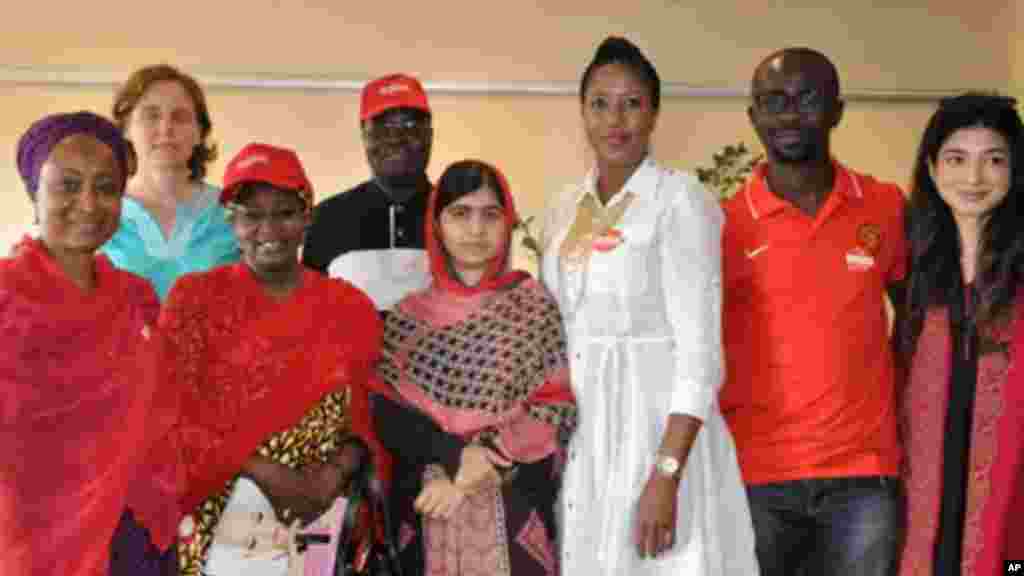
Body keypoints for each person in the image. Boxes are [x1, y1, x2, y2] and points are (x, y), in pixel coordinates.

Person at [540, 37, 757, 575]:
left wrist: (666, 472)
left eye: (632, 103)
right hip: (587, 436)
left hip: (659, 434)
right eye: (600, 103)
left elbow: (700, 351)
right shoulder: (566, 207)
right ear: (582, 113)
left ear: (654, 113)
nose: (615, 119)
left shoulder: (680, 201)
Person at [719, 47, 907, 575]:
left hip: (863, 479)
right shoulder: (723, 224)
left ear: (836, 110)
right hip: (756, 477)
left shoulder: (885, 207)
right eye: (772, 101)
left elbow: (920, 326)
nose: (788, 114)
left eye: (806, 99)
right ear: (753, 115)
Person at [161, 143, 383, 575]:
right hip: (215, 517)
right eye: (251, 215)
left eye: (284, 212)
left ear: (307, 217)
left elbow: (367, 412)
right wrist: (264, 472)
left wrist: (332, 475)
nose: (269, 229)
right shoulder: (195, 300)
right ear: (232, 222)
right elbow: (172, 411)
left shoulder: (349, 307)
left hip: (324, 514)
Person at [372, 159, 578, 575]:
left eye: (490, 215)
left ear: (508, 224)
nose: (475, 229)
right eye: (460, 214)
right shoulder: (406, 320)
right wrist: (449, 462)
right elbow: (388, 415)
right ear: (436, 224)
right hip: (429, 505)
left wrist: (480, 465)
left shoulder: (534, 306)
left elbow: (556, 407)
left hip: (514, 506)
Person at [0, 111, 177, 575]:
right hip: (32, 540)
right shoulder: (5, 296)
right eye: (67, 184)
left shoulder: (136, 299)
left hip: (133, 533)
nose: (88, 202)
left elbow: (158, 410)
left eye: (105, 187)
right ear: (33, 193)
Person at [898, 93, 1024, 575]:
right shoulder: (912, 268)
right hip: (925, 504)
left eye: (993, 160)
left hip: (1011, 509)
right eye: (956, 159)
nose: (973, 179)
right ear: (932, 169)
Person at [103, 64, 239, 299]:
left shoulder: (232, 212)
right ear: (125, 129)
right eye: (151, 116)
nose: (165, 128)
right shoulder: (99, 211)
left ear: (199, 132)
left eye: (180, 117)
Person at [302, 73, 433, 311]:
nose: (397, 138)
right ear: (364, 135)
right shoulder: (326, 219)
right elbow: (311, 317)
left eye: (410, 125)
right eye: (383, 127)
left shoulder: (460, 216)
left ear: (430, 134)